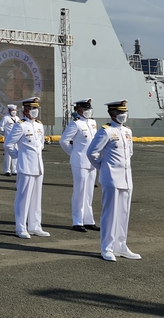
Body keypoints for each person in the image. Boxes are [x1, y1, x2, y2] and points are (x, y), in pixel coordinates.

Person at [87, 100, 140, 261]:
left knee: (124, 213)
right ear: (112, 114)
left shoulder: (127, 131)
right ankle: (107, 247)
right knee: (110, 214)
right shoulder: (106, 131)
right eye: (120, 112)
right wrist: (103, 168)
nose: (123, 115)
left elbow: (129, 153)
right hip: (111, 178)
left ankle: (121, 246)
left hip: (126, 178)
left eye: (124, 112)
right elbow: (92, 153)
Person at [7, 97, 48, 238]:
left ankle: (35, 226)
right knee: (23, 198)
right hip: (26, 166)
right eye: (32, 108)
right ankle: (21, 227)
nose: (34, 111)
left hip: (38, 166)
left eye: (36, 108)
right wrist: (19, 156)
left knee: (36, 198)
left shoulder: (39, 125)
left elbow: (40, 144)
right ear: (25, 110)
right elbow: (8, 144)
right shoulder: (20, 125)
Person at [59, 98, 99, 232]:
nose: (88, 111)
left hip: (92, 162)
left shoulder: (93, 122)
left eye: (89, 108)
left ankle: (88, 220)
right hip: (80, 162)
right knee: (79, 192)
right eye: (86, 109)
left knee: (89, 192)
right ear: (79, 110)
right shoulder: (75, 124)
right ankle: (77, 221)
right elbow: (64, 141)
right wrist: (74, 154)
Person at [0, 104, 19, 176]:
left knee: (15, 154)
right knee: (7, 155)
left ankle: (14, 170)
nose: (14, 111)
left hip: (16, 139)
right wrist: (5, 133)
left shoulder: (18, 118)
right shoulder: (6, 118)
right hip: (8, 139)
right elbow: (0, 127)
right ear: (9, 110)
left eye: (15, 110)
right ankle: (7, 170)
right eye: (12, 110)